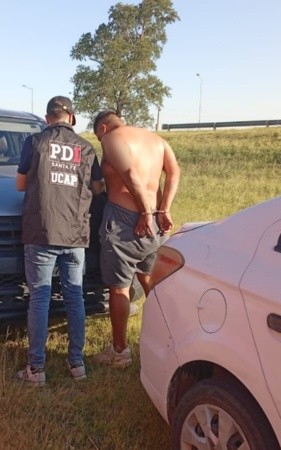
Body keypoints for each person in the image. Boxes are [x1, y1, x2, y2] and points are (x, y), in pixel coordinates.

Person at [15, 96, 105, 386]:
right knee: (74, 296)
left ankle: (36, 370)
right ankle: (77, 364)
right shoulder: (86, 147)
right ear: (72, 117)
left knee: (40, 297)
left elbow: (19, 185)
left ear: (47, 117)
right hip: (75, 233)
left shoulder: (34, 143)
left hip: (41, 231)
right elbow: (98, 187)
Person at [92, 111, 181, 366]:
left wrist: (143, 210)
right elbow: (174, 173)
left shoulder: (112, 138)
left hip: (125, 219)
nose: (101, 143)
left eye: (99, 136)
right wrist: (163, 209)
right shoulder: (157, 140)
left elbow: (130, 174)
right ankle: (169, 339)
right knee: (150, 281)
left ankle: (119, 351)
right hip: (154, 220)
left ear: (103, 127)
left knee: (120, 287)